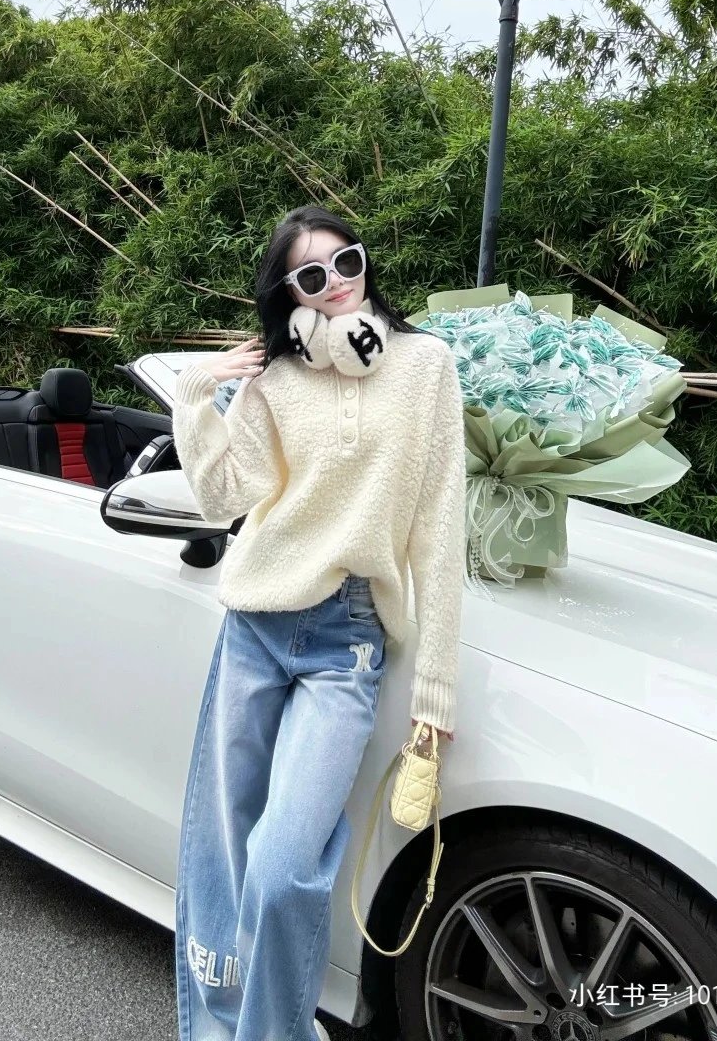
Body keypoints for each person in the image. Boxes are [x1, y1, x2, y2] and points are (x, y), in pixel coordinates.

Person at [171, 204, 467, 1041]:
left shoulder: (425, 366)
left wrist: (435, 690)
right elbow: (223, 499)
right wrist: (197, 400)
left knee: (279, 868)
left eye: (347, 262)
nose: (335, 284)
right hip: (256, 628)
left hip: (347, 642)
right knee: (222, 851)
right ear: (289, 296)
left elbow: (439, 527)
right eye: (311, 275)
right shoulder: (274, 384)